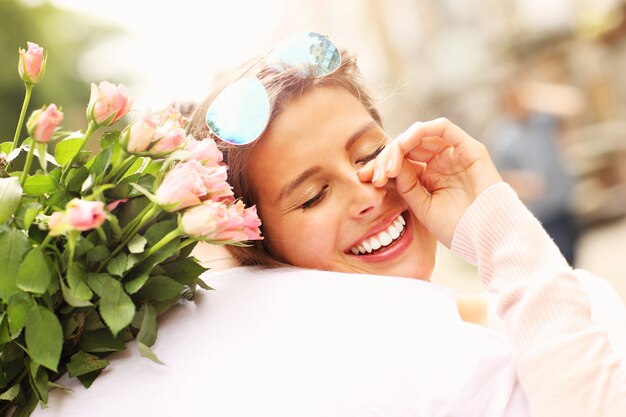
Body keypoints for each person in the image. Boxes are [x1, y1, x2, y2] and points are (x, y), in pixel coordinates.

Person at [34, 33, 626, 417]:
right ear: (252, 244)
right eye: (313, 195)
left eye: (369, 153)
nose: (366, 193)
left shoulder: (565, 299)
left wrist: (492, 215)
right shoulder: (336, 382)